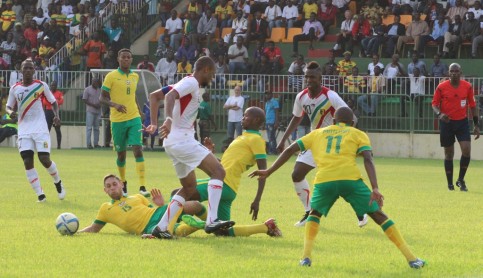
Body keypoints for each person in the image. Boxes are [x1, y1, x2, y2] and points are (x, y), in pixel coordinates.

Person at [249, 107, 426, 269]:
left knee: (314, 214)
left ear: (333, 121)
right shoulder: (358, 134)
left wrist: (269, 170)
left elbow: (289, 150)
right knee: (378, 214)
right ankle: (412, 259)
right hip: (350, 180)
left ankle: (305, 258)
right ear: (352, 123)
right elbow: (367, 159)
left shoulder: (317, 133)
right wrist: (375, 188)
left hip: (325, 180)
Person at [145, 56, 235, 239]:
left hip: (173, 142)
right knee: (219, 171)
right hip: (181, 140)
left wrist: (154, 123)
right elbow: (169, 97)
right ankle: (212, 220)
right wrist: (167, 120)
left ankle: (161, 227)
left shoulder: (184, 83)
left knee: (189, 188)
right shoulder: (192, 82)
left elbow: (154, 97)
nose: (212, 79)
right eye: (213, 74)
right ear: (206, 70)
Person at [275, 61, 366, 228]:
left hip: (332, 144)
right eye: (306, 77)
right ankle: (309, 212)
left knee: (340, 180)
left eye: (313, 77)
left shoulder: (330, 96)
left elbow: (351, 117)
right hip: (315, 141)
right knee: (296, 174)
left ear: (320, 78)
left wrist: (348, 140)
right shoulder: (301, 97)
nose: (309, 80)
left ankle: (361, 212)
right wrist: (283, 139)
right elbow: (297, 117)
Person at [175, 107, 282, 238]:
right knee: (222, 232)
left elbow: (263, 172)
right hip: (229, 189)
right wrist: (210, 154)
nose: (242, 118)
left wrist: (257, 200)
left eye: (245, 116)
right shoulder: (242, 138)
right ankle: (265, 227)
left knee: (178, 193)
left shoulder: (256, 140)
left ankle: (171, 227)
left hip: (224, 184)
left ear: (256, 120)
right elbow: (224, 165)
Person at [5, 58, 66, 202]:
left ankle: (58, 182)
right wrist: (10, 112)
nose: (27, 70)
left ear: (34, 70)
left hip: (40, 128)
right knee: (27, 160)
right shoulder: (14, 88)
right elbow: (8, 106)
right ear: (21, 70)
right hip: (24, 129)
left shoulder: (41, 85)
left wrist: (56, 116)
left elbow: (53, 102)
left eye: (30, 68)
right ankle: (40, 195)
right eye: (24, 68)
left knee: (44, 159)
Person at [79, 174, 207, 236]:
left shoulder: (138, 197)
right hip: (148, 228)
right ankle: (200, 225)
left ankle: (211, 221)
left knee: (195, 205)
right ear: (105, 191)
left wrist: (161, 204)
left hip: (159, 213)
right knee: (173, 232)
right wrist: (75, 232)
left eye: (114, 184)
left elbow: (152, 210)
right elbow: (93, 229)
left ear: (121, 184)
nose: (112, 188)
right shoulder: (105, 208)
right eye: (108, 186)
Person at [100, 49, 149, 197]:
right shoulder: (111, 76)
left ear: (131, 59)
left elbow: (132, 95)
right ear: (118, 59)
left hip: (134, 118)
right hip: (117, 120)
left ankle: (142, 186)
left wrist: (140, 112)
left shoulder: (135, 76)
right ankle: (124, 183)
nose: (126, 59)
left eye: (129, 57)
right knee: (121, 155)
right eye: (123, 57)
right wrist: (115, 105)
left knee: (137, 148)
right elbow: (102, 98)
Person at [431, 63, 480, 191]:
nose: (454, 73)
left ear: (460, 72)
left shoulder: (467, 87)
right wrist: (439, 114)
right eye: (451, 71)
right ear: (448, 73)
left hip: (462, 122)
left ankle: (461, 180)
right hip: (447, 123)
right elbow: (434, 104)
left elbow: (473, 106)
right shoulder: (441, 87)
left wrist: (476, 125)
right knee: (449, 154)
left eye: (456, 71)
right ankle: (450, 185)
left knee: (466, 150)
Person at [41, 80, 63, 149]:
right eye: (52, 85)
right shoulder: (47, 93)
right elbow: (44, 102)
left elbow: (61, 101)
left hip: (56, 112)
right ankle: (45, 146)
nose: (53, 86)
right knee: (47, 130)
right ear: (50, 86)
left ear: (56, 86)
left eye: (54, 85)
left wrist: (53, 101)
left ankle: (59, 146)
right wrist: (54, 101)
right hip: (48, 112)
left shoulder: (59, 93)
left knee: (57, 129)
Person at [83, 77, 102, 149]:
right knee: (89, 128)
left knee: (97, 128)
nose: (96, 83)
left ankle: (96, 143)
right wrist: (94, 105)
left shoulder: (99, 90)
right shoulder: (87, 89)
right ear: (92, 82)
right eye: (94, 82)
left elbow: (102, 99)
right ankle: (88, 144)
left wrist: (100, 104)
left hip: (98, 111)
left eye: (97, 82)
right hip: (90, 111)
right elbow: (84, 100)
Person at [264, 90, 279, 154]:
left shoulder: (274, 102)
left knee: (271, 137)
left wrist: (276, 122)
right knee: (270, 137)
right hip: (268, 122)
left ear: (271, 95)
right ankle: (272, 150)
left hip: (272, 122)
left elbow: (277, 112)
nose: (267, 95)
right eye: (266, 94)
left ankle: (273, 151)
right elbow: (265, 113)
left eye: (268, 94)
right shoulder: (267, 102)